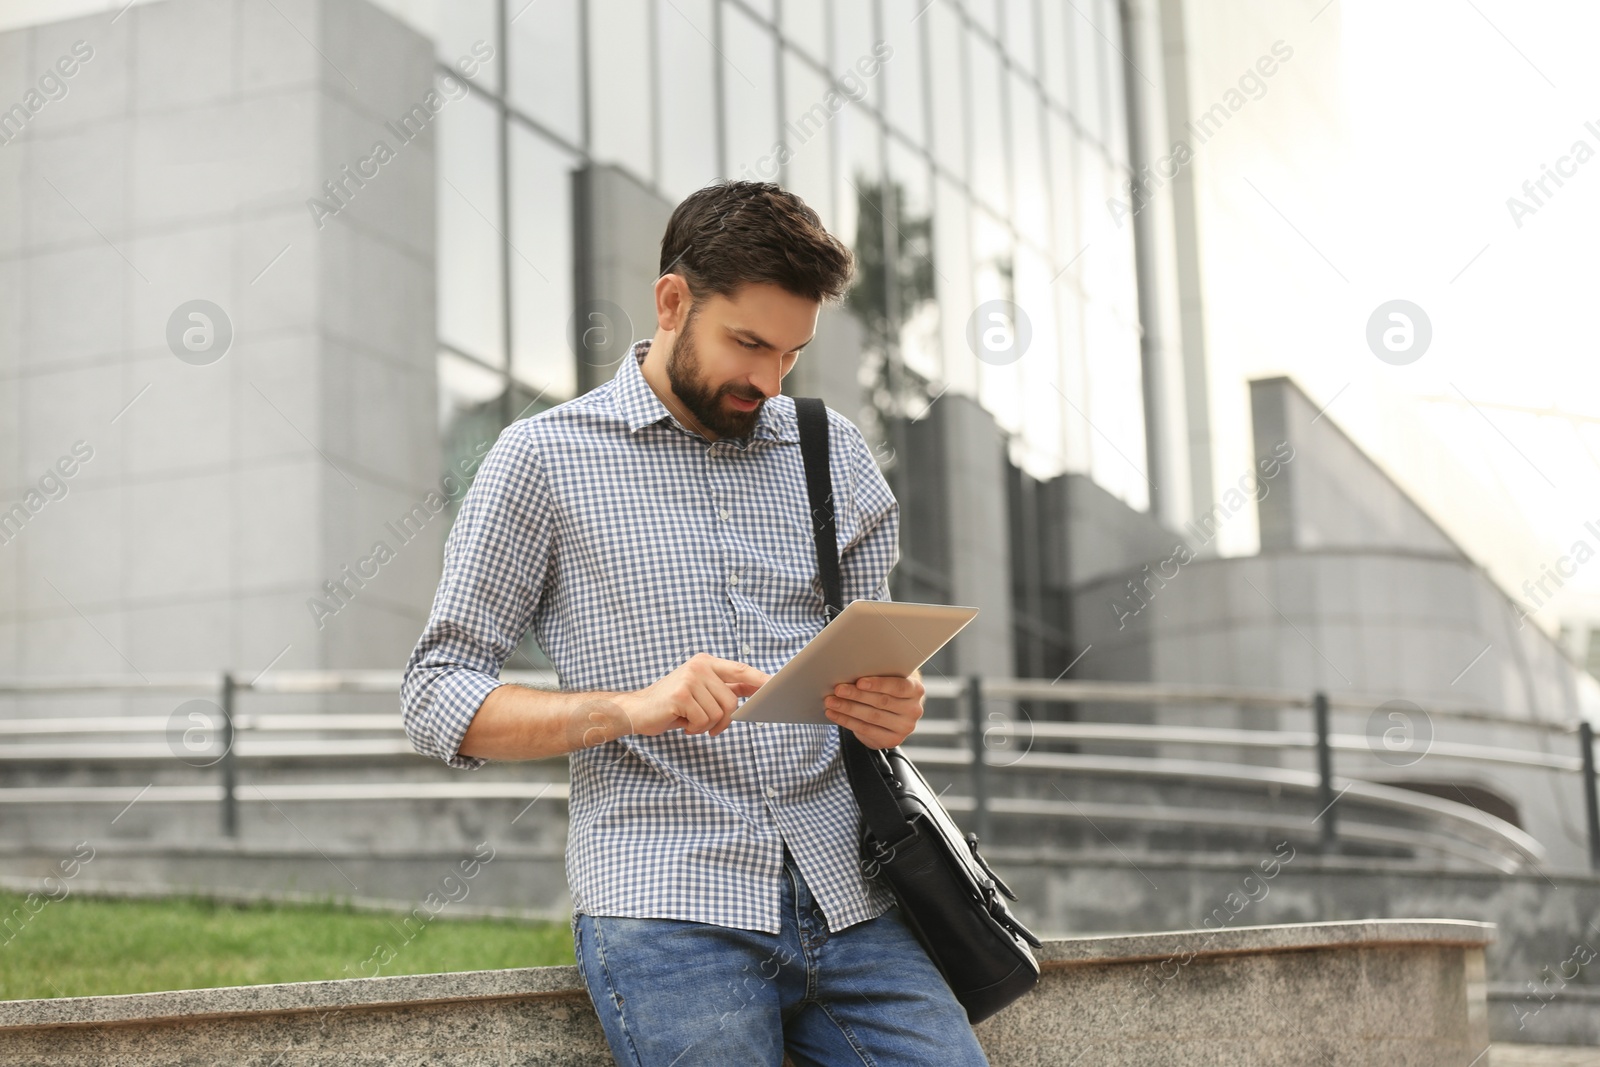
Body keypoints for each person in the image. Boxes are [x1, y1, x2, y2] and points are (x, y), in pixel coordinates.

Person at [401, 180, 989, 1066]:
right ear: (673, 301)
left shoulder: (834, 458)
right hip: (669, 906)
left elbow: (872, 677)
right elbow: (437, 698)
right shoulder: (542, 462)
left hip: (854, 897)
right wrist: (637, 708)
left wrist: (893, 706)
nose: (767, 378)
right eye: (747, 342)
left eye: (790, 352)